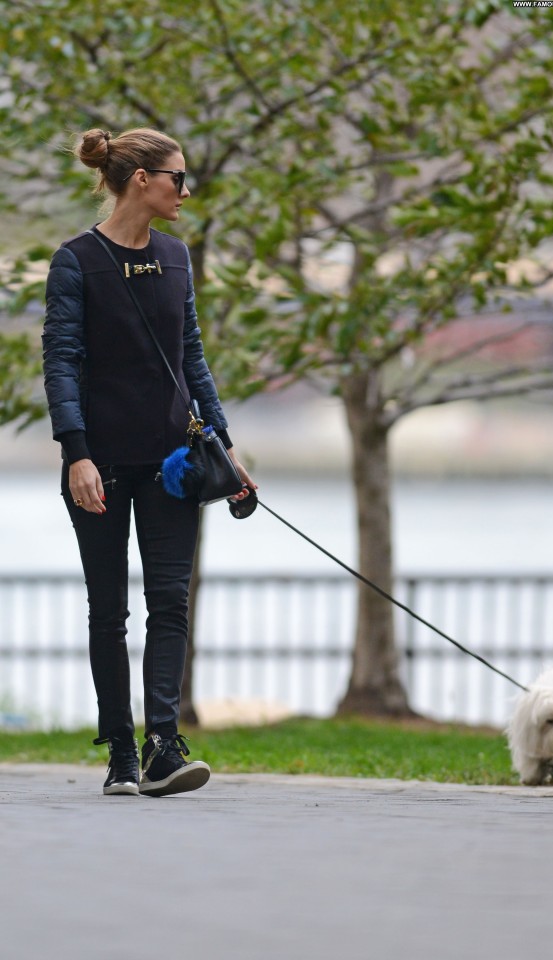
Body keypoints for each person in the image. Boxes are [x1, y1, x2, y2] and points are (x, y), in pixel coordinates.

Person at [42, 127, 257, 798]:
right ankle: (121, 754)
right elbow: (61, 363)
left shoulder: (176, 258)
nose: (185, 191)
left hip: (173, 463)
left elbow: (191, 357)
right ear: (142, 180)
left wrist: (224, 445)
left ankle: (163, 746)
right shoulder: (76, 262)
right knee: (109, 611)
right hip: (100, 464)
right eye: (177, 178)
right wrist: (76, 454)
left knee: (170, 602)